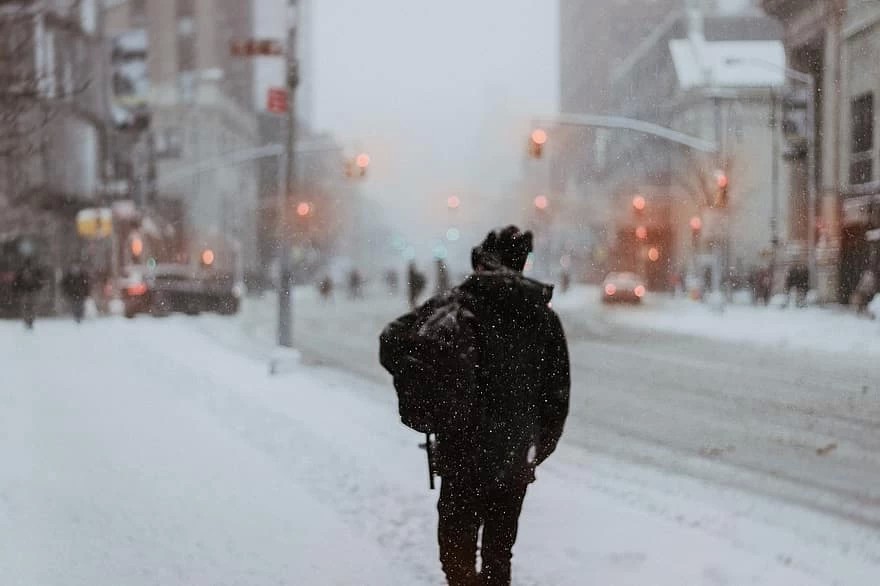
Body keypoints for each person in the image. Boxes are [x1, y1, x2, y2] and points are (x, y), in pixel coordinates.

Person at [383, 226, 570, 585]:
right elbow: (556, 398)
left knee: (457, 553)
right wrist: (532, 448)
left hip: (461, 450)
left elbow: (393, 340)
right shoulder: (543, 317)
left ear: (481, 261)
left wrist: (427, 395)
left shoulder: (453, 306)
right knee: (499, 554)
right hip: (514, 455)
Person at [12, 259, 43, 329]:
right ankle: (29, 320)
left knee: (26, 308)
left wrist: (16, 290)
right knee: (31, 307)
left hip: (26, 292)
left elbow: (16, 282)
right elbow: (40, 282)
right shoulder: (34, 271)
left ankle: (28, 320)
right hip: (29, 292)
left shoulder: (23, 271)